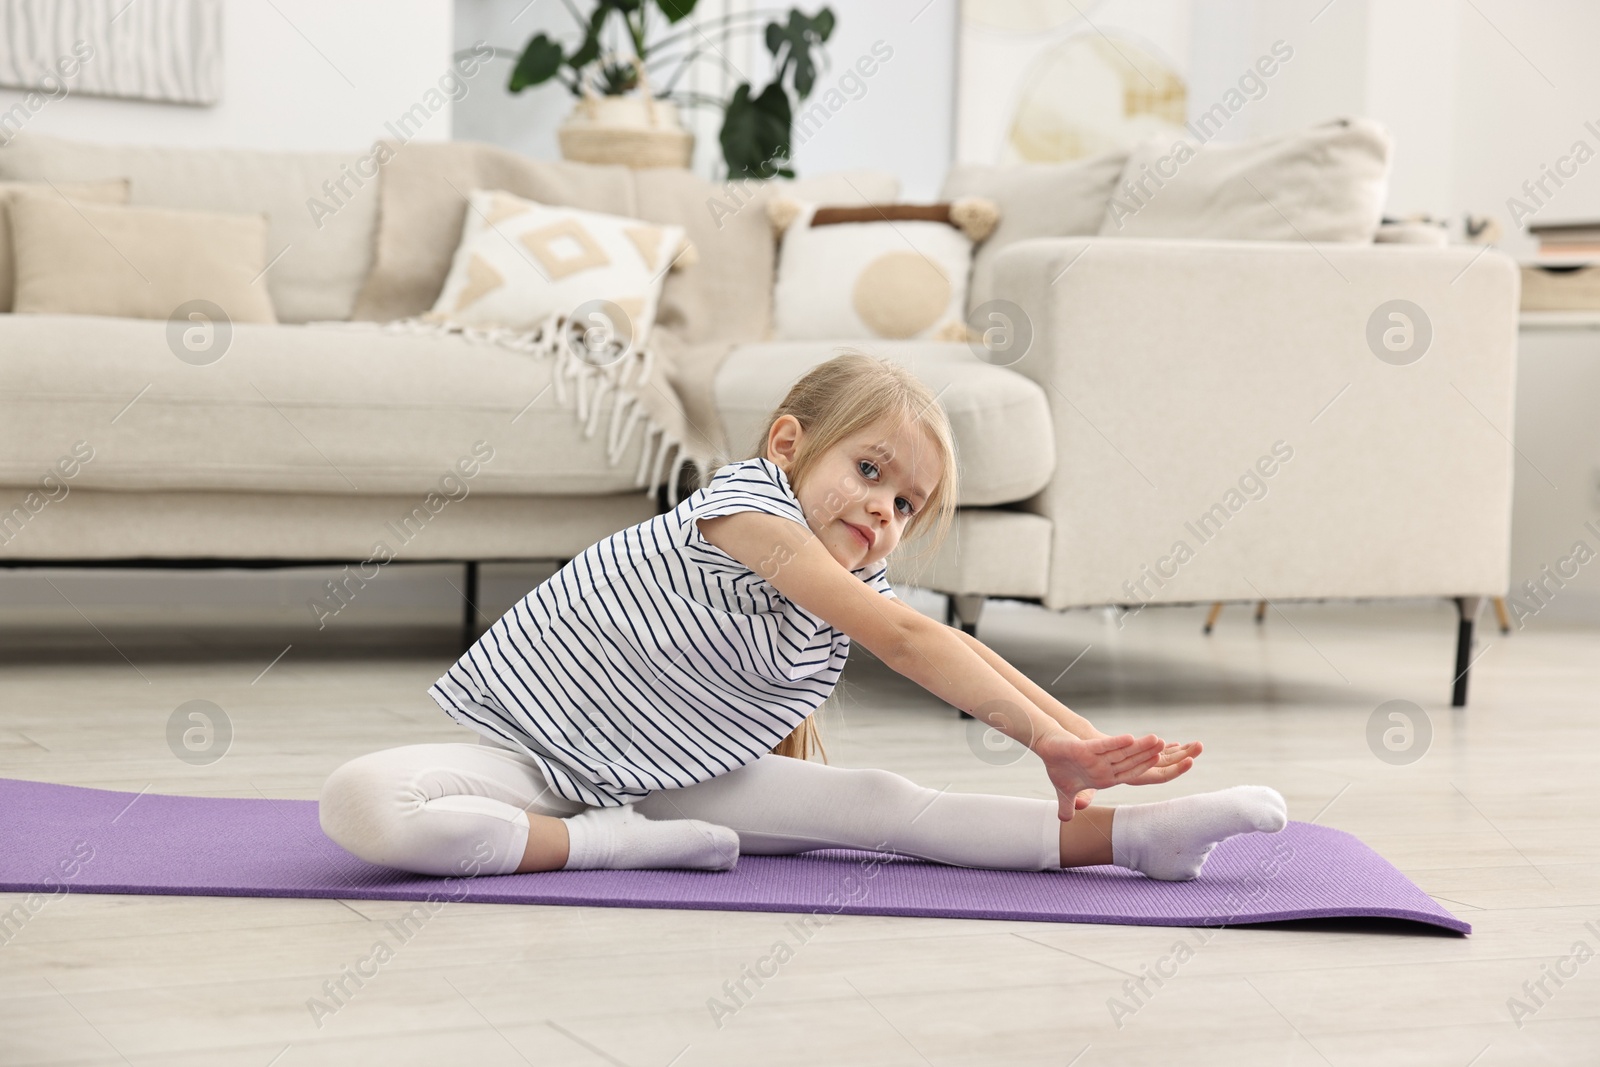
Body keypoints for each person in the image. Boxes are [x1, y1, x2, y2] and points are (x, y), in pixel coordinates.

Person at [319, 353, 1286, 881]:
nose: (882, 511)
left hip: (683, 785)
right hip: (535, 763)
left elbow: (950, 642)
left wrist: (1083, 743)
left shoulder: (838, 576)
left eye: (906, 505)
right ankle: (615, 846)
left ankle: (1138, 842)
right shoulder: (747, 506)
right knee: (364, 804)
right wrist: (1044, 737)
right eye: (870, 471)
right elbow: (912, 643)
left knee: (890, 807)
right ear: (789, 445)